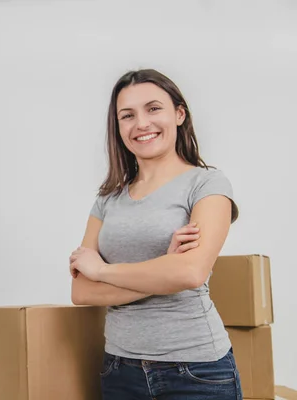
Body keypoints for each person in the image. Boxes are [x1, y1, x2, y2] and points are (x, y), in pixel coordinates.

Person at [69, 68, 242, 399]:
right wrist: (164, 269)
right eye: (127, 115)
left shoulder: (207, 184)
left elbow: (191, 272)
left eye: (153, 109)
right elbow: (82, 292)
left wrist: (103, 270)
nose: (141, 124)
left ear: (179, 114)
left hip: (196, 370)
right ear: (117, 127)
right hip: (119, 369)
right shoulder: (107, 199)